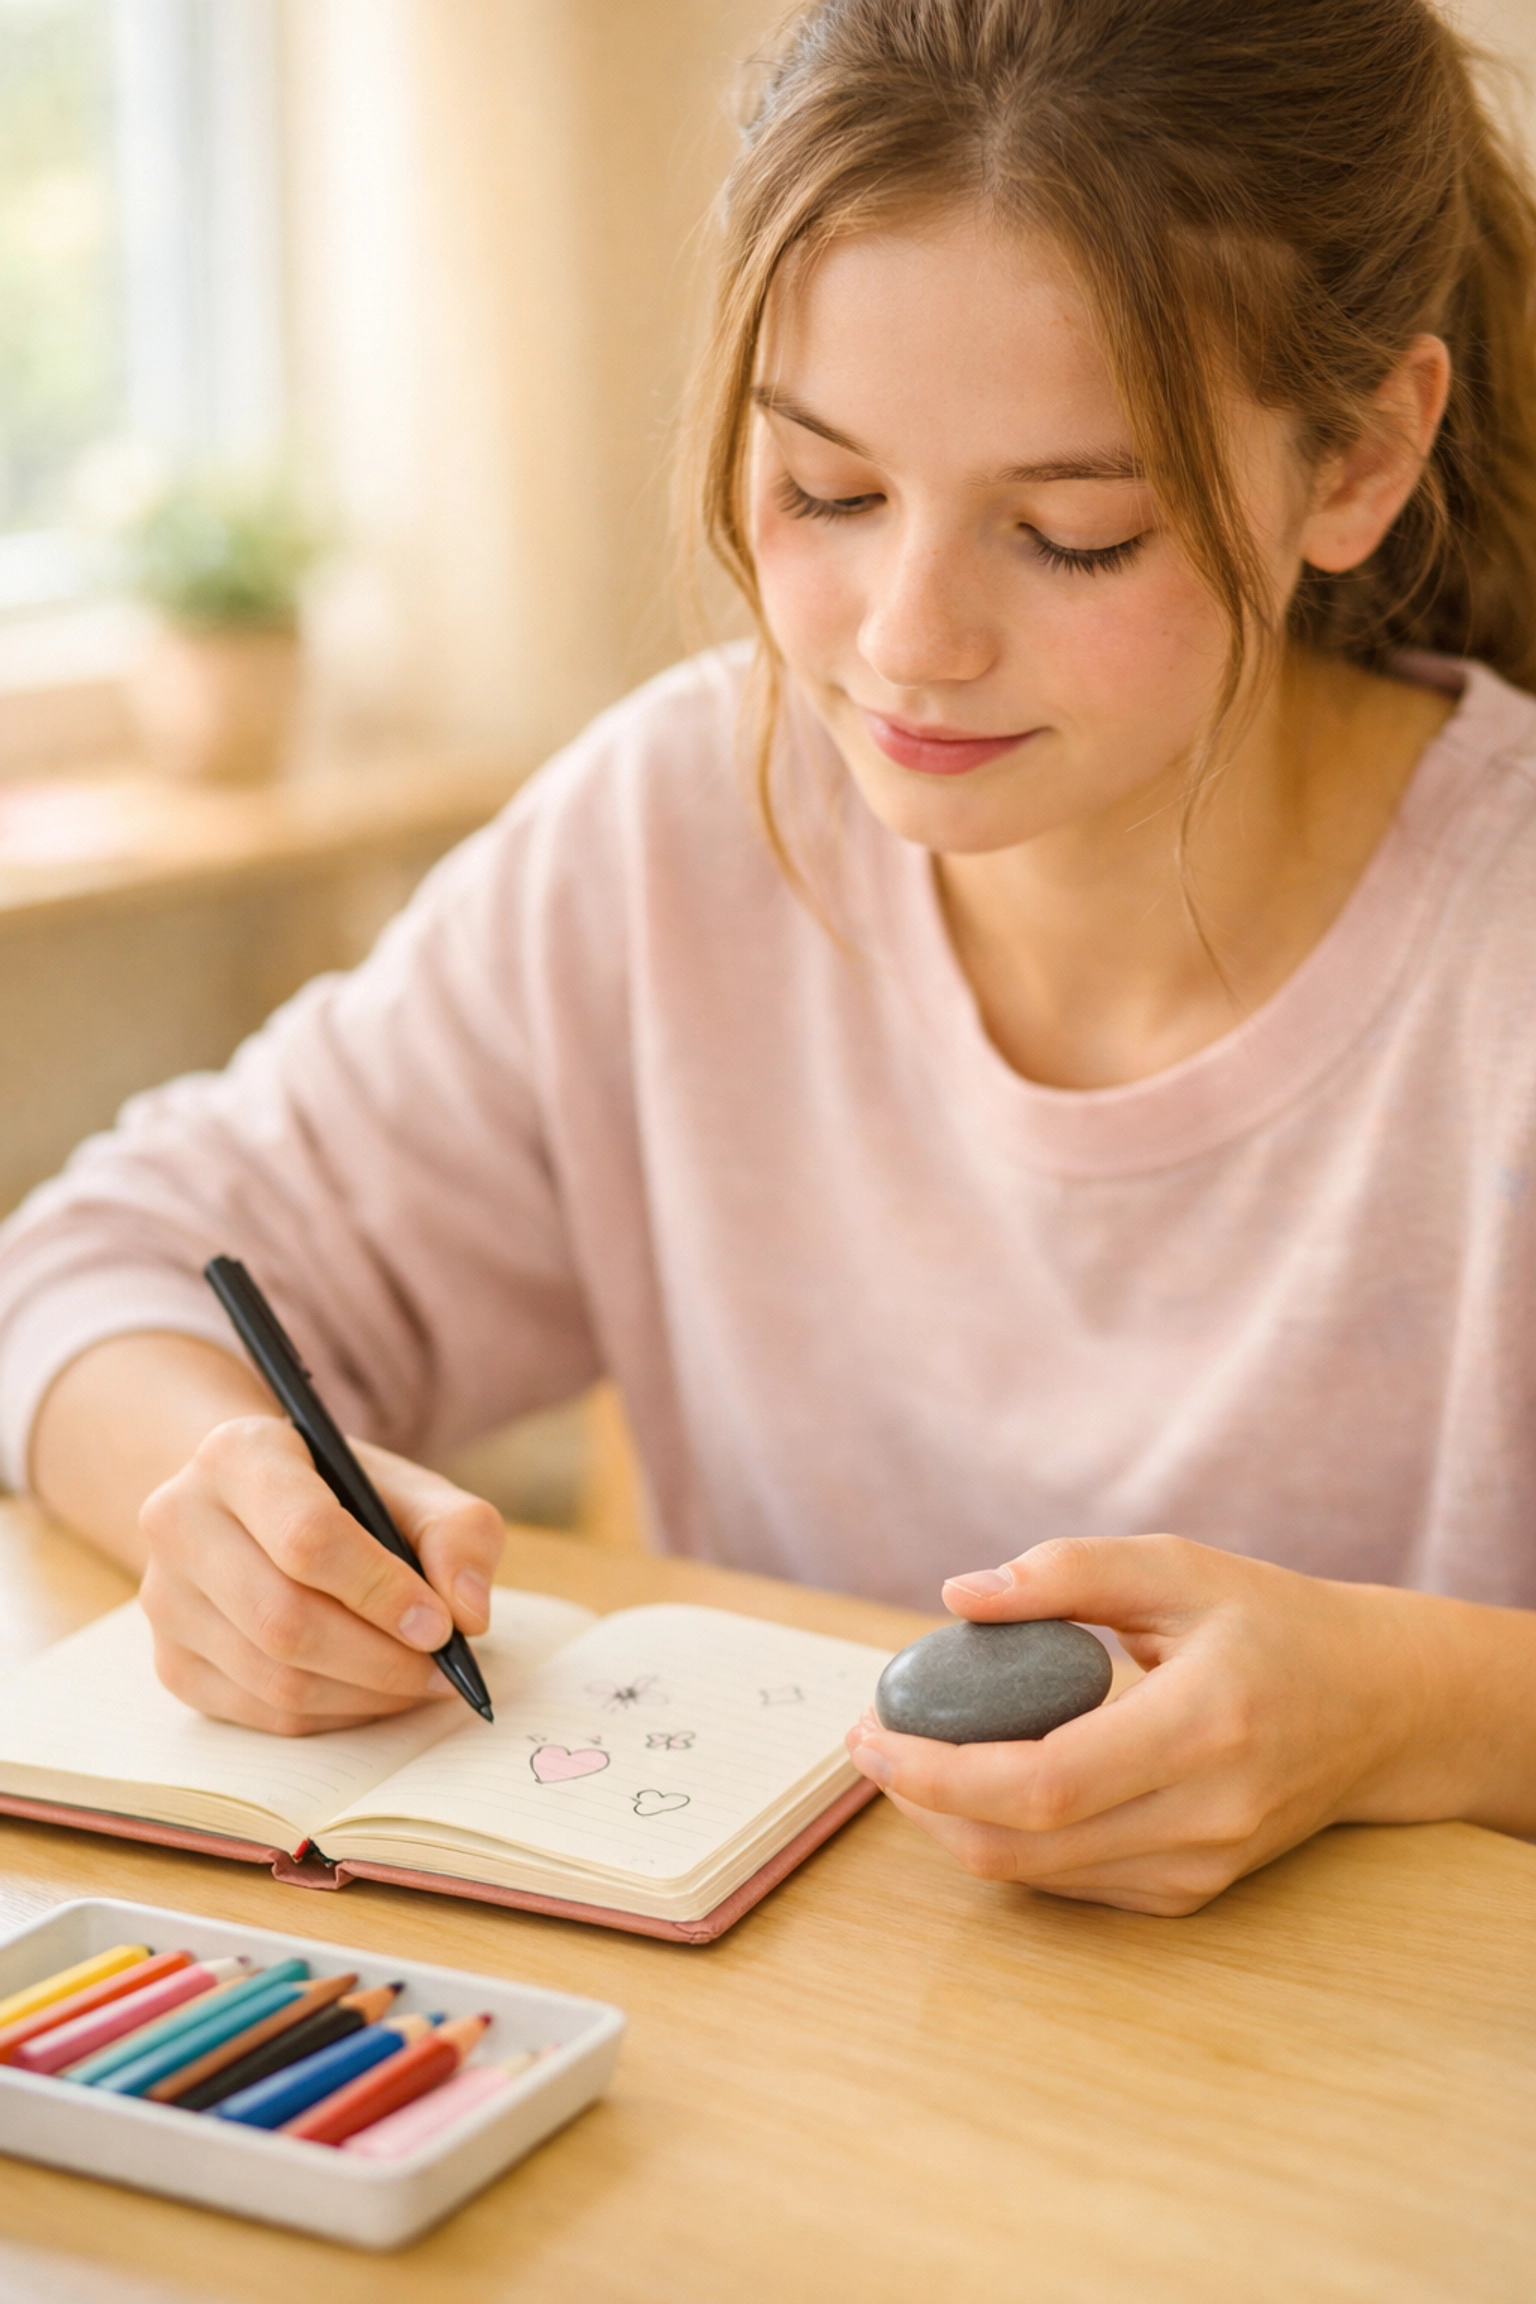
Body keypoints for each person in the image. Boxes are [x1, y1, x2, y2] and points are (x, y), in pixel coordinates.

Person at [3, 0, 1536, 1916]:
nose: (908, 641)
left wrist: (1423, 1710)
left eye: (1075, 531)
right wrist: (227, 1510)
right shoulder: (681, 831)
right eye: (828, 490)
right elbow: (99, 1262)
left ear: (1362, 459)